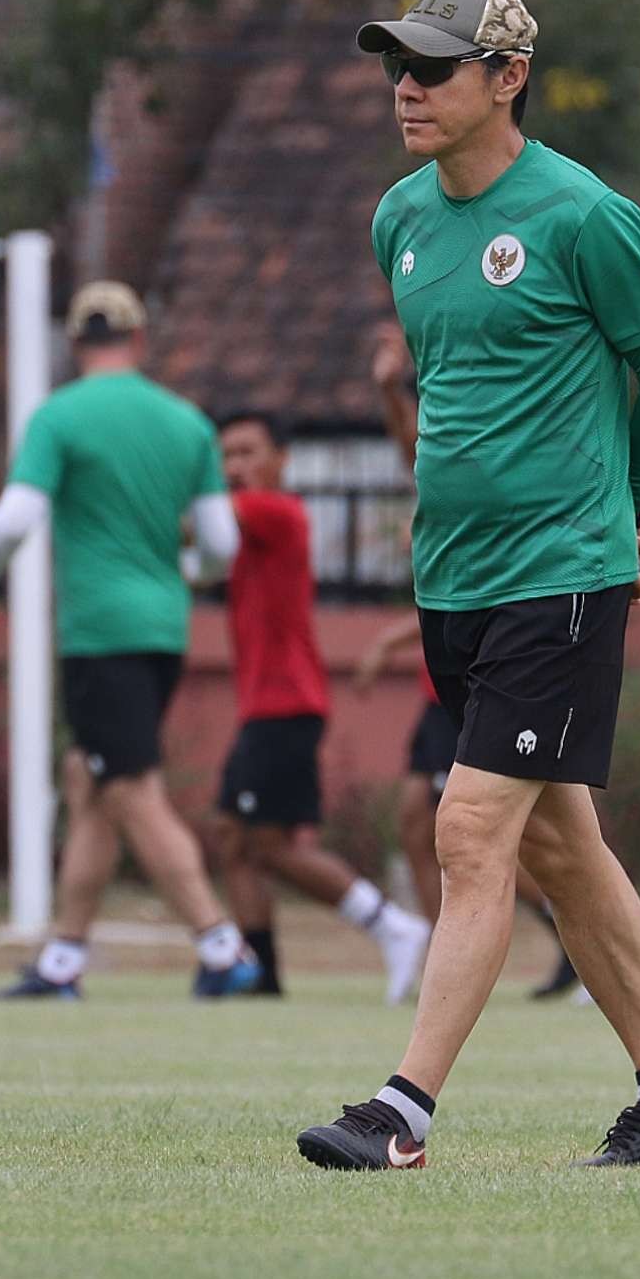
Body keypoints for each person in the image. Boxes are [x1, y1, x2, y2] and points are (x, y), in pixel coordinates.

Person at [295, 0, 640, 1171]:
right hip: (456, 583)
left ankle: (401, 1112)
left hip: (561, 577)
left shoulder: (587, 217)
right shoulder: (399, 219)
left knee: (470, 832)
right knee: (557, 849)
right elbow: (458, 404)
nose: (406, 88)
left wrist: (620, 517)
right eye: (397, 66)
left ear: (508, 79)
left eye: (433, 69)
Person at [0, 281, 259, 1001]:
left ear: (77, 345)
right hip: (163, 629)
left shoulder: (60, 417)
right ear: (139, 341)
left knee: (132, 791)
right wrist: (185, 573)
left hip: (100, 635)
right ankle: (62, 961)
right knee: (91, 782)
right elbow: (221, 545)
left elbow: (15, 519)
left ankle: (220, 944)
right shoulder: (186, 424)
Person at [364, 333, 580, 1000]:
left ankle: (574, 939)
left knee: (509, 836)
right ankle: (441, 944)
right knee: (427, 820)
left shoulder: (505, 464)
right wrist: (389, 390)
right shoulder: (446, 469)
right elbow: (416, 451)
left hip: (494, 673)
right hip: (447, 678)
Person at [206, 410, 433, 1003]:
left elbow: (193, 523)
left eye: (248, 452)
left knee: (270, 844)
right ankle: (264, 977)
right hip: (267, 705)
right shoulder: (245, 525)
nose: (235, 467)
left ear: (281, 460)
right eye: (225, 455)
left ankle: (391, 925)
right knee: (235, 838)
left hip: (286, 704)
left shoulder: (274, 510)